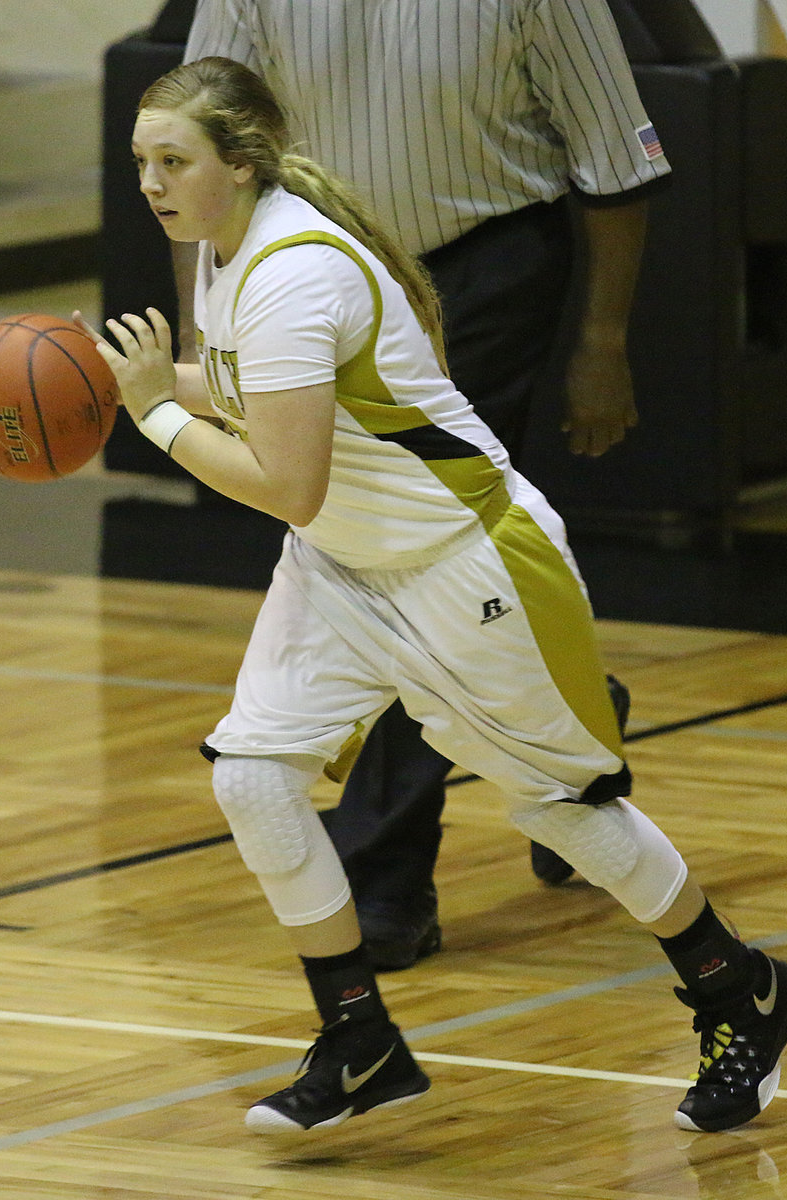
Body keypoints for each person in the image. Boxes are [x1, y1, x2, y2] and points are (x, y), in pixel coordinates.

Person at [77, 55, 787, 1137]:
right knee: (253, 779)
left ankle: (738, 986)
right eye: (141, 161)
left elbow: (286, 480)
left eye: (172, 161)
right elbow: (253, 394)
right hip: (342, 563)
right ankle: (359, 1039)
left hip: (464, 567)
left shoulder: (292, 273)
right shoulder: (224, 251)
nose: (150, 183)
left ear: (239, 164)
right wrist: (119, 381)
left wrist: (153, 415)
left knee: (562, 811)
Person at [177, 0, 673, 968]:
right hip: (303, 279)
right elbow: (193, 137)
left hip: (483, 270)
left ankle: (384, 875)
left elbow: (616, 161)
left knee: (414, 558)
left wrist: (602, 339)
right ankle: (563, 695)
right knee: (354, 542)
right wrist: (211, 348)